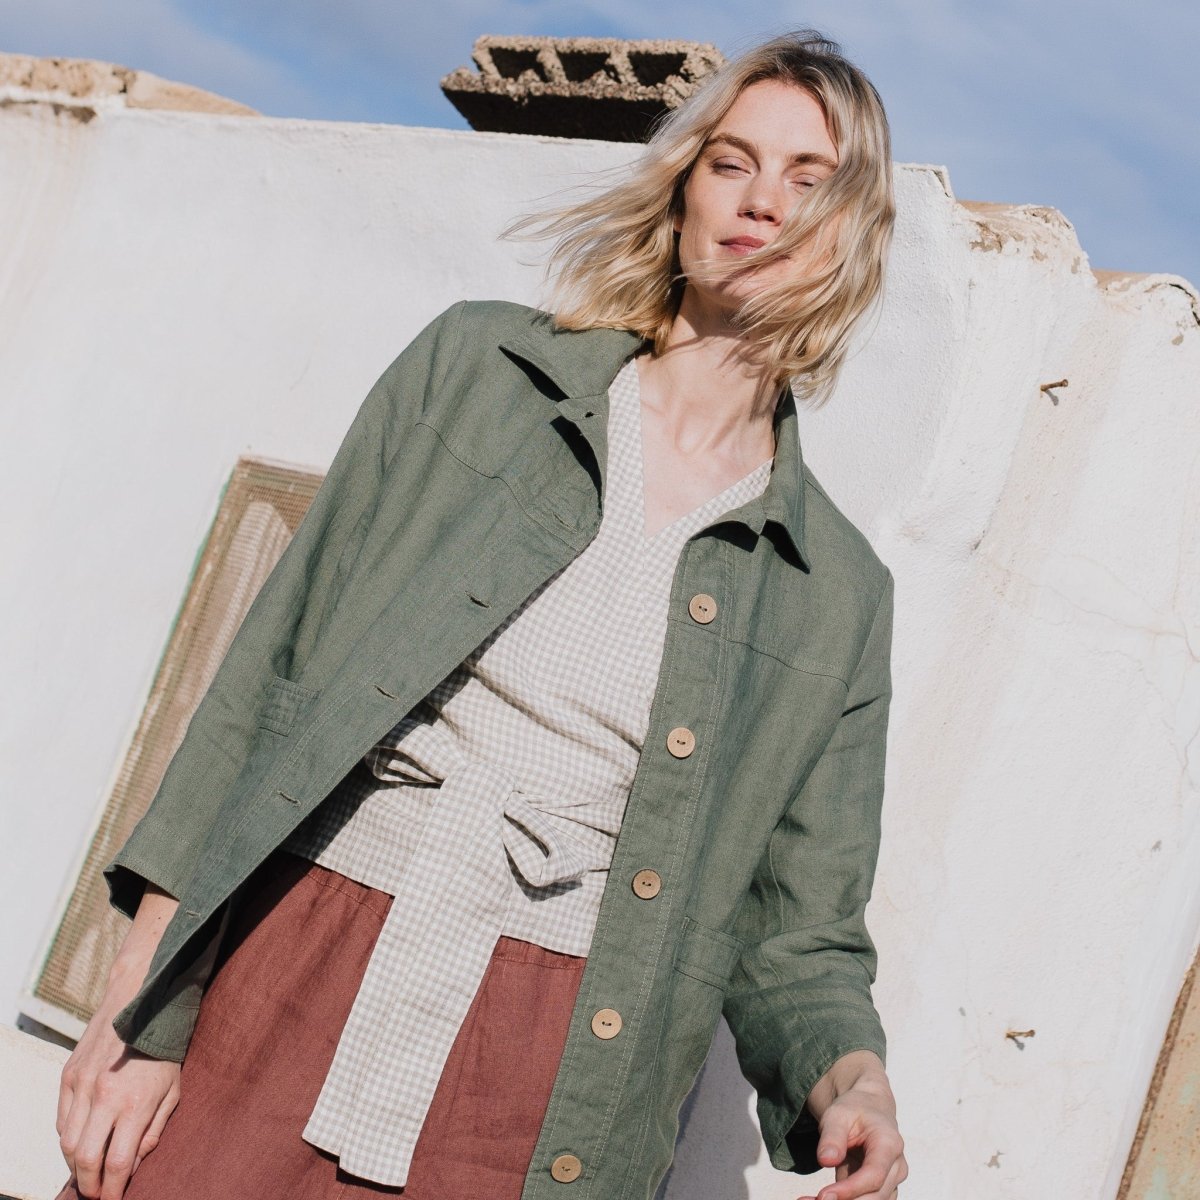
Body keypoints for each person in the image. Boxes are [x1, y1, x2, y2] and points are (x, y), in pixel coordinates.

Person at [54, 28, 907, 1200]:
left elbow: (801, 936)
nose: (763, 202)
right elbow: (266, 686)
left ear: (854, 230)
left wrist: (853, 1084)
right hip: (298, 950)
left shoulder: (835, 595)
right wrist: (139, 1001)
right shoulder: (474, 376)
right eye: (732, 163)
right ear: (683, 192)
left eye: (810, 179)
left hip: (543, 1066)